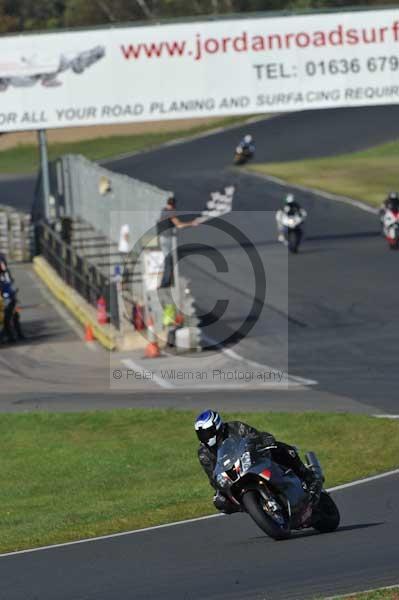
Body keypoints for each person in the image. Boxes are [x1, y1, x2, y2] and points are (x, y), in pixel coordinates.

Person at [195, 409, 321, 515]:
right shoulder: (203, 453)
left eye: (207, 432)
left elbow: (254, 435)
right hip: (233, 476)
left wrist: (263, 440)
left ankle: (307, 476)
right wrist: (219, 486)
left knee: (278, 448)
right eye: (201, 434)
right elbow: (213, 476)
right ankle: (256, 509)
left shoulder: (234, 427)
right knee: (220, 501)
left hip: (252, 459)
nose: (205, 437)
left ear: (217, 425)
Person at [157, 196, 198, 288]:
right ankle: (165, 283)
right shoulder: (170, 212)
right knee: (169, 261)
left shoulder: (163, 210)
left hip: (162, 237)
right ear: (173, 205)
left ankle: (166, 281)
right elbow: (178, 225)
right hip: (167, 238)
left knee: (168, 260)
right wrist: (191, 223)